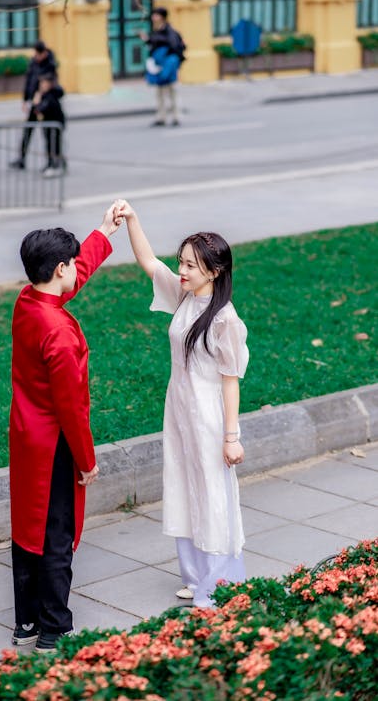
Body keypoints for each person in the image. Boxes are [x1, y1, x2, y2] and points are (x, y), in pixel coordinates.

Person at [116, 200, 249, 608]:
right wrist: (132, 220)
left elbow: (231, 383)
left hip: (209, 417)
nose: (183, 271)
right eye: (182, 262)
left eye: (191, 265)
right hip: (178, 410)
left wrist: (232, 437)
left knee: (212, 492)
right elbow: (147, 261)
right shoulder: (185, 296)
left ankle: (220, 579)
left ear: (215, 271)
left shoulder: (225, 320)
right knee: (183, 486)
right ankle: (195, 576)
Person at [9, 203, 121, 652]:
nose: (77, 270)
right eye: (73, 263)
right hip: (56, 443)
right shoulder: (59, 331)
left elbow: (65, 286)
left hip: (26, 436)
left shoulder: (28, 301)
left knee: (28, 528)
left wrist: (103, 232)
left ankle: (26, 623)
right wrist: (87, 460)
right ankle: (54, 627)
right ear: (60, 267)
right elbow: (72, 406)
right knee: (57, 533)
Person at [9, 40, 58, 170]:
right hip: (33, 104)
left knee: (47, 133)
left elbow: (49, 84)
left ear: (44, 53)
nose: (36, 56)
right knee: (27, 132)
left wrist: (39, 97)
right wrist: (25, 100)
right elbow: (29, 81)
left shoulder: (50, 64)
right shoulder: (34, 62)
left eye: (38, 54)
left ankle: (51, 162)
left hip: (44, 105)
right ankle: (22, 159)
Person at [140, 7, 186, 127]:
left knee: (172, 91)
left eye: (156, 15)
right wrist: (147, 40)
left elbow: (174, 47)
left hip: (168, 66)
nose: (153, 17)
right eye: (153, 15)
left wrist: (168, 62)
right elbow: (154, 45)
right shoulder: (157, 31)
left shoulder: (169, 31)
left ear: (162, 17)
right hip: (159, 65)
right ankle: (161, 117)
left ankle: (176, 117)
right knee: (160, 92)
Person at [29, 72, 66, 177]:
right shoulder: (46, 95)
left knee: (55, 146)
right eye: (41, 83)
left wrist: (36, 102)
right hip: (49, 125)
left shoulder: (50, 96)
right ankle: (53, 163)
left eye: (43, 83)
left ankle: (56, 165)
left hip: (55, 125)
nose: (41, 85)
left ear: (49, 84)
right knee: (50, 145)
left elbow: (39, 109)